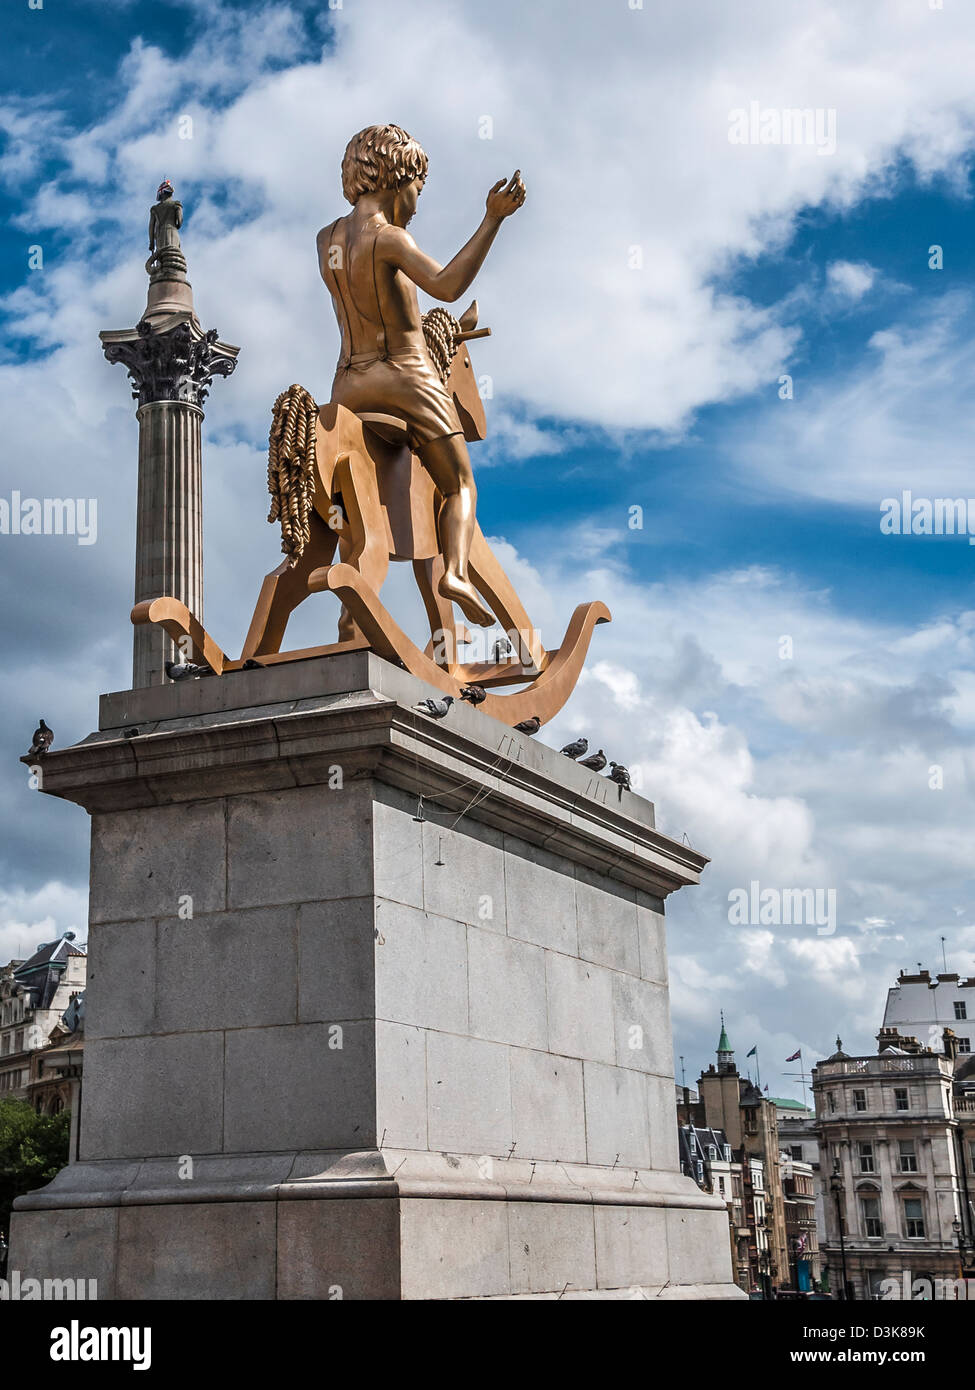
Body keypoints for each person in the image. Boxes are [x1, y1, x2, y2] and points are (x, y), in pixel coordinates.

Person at [318, 124, 525, 627]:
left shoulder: (327, 240)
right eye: (417, 189)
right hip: (406, 380)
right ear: (396, 177)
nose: (417, 202)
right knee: (460, 486)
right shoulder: (389, 238)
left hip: (347, 386)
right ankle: (454, 572)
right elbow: (448, 288)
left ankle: (356, 599)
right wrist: (492, 220)